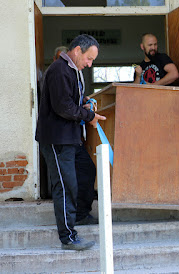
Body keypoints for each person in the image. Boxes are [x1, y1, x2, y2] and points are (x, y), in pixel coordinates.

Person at [35, 34, 106, 251]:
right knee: (65, 186)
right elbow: (63, 107)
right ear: (77, 51)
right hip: (58, 140)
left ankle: (81, 215)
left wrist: (85, 102)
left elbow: (71, 100)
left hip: (72, 139)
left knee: (86, 172)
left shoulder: (73, 71)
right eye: (88, 59)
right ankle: (68, 237)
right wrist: (89, 117)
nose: (89, 64)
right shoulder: (59, 70)